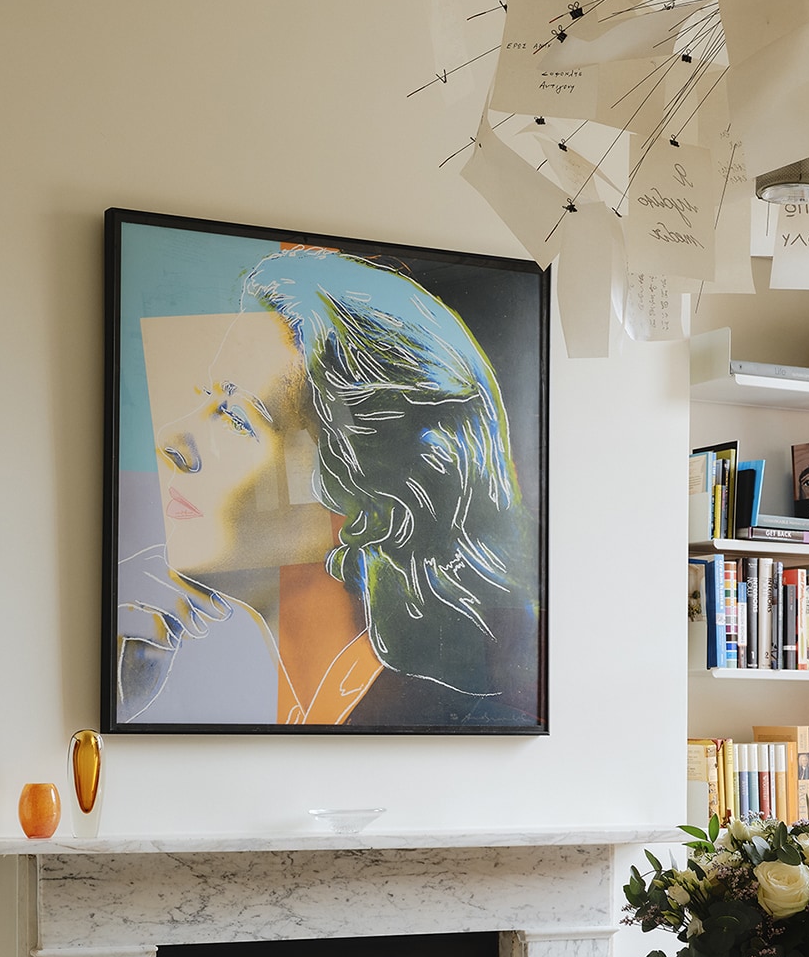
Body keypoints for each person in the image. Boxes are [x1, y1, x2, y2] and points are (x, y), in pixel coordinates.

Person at [117, 246, 540, 729]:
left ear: (369, 502)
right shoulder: (259, 694)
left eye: (235, 418)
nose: (172, 439)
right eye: (207, 398)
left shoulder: (443, 723)